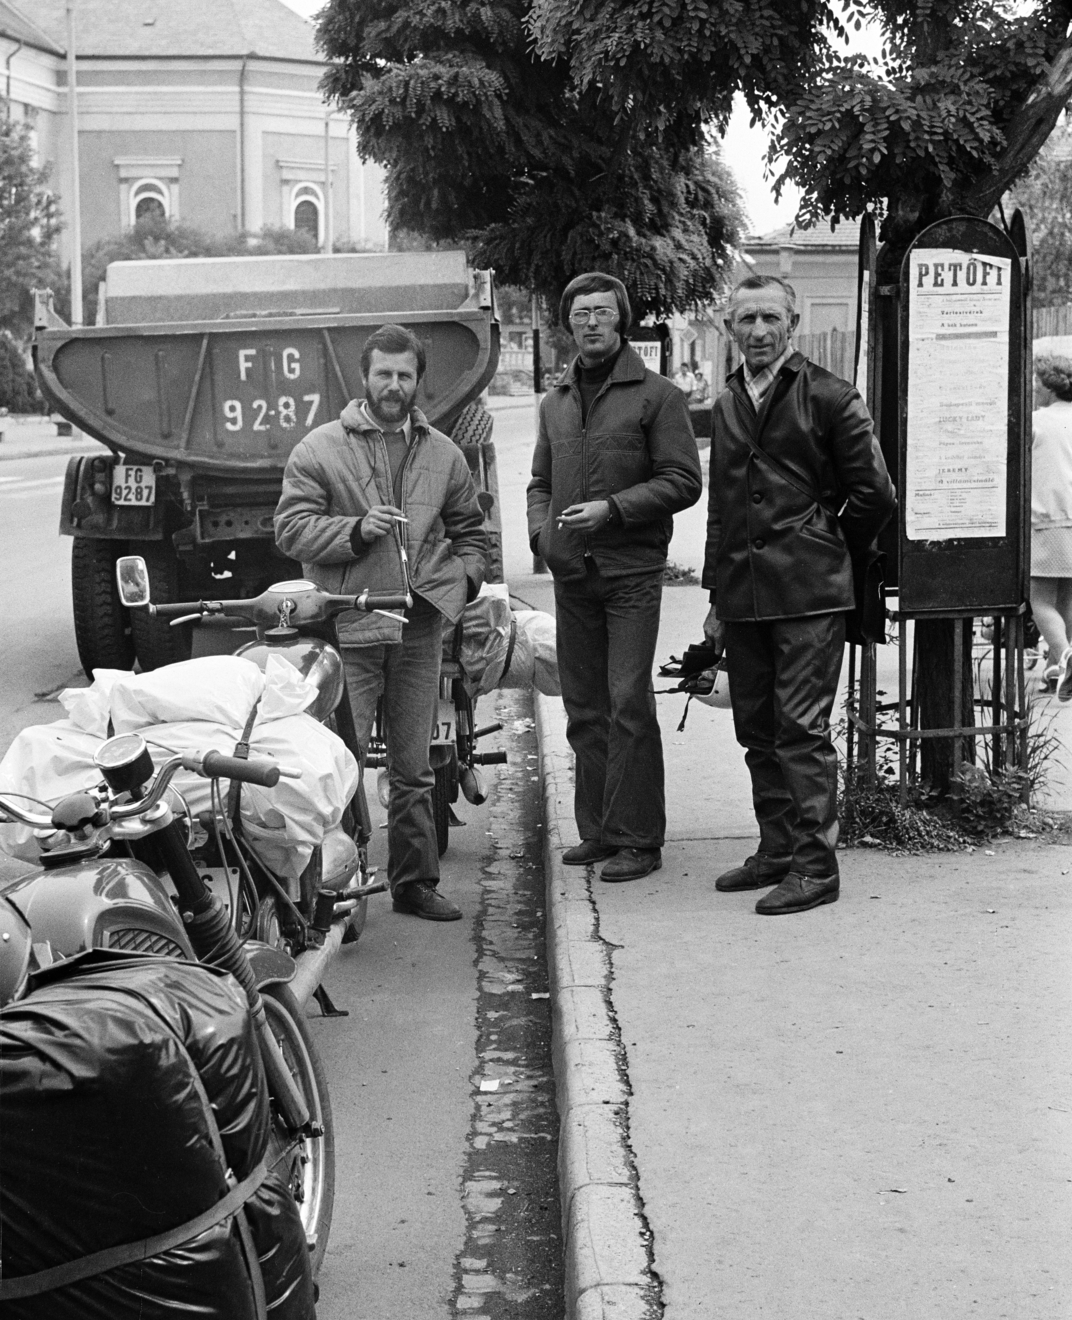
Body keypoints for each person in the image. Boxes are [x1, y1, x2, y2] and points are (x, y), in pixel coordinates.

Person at [275, 323, 486, 921]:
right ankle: (333, 890)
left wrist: (463, 581)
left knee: (414, 768)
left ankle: (414, 884)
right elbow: (290, 529)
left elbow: (473, 531)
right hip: (351, 626)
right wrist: (355, 530)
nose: (394, 385)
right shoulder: (319, 448)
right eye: (383, 374)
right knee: (337, 768)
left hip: (418, 627)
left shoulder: (444, 453)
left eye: (405, 375)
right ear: (364, 378)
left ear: (419, 382)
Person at [701, 275, 895, 916]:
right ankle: (778, 849)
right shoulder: (728, 400)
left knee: (801, 731)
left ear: (793, 323)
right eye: (746, 319)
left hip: (810, 594)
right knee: (756, 728)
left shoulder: (831, 395)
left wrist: (824, 543)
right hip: (743, 592)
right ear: (730, 327)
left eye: (770, 318)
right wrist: (715, 596)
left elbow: (875, 495)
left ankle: (816, 869)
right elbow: (723, 505)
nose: (758, 330)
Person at [528, 272, 703, 881]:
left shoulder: (657, 396)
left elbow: (683, 480)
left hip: (631, 571)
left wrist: (614, 508)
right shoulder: (555, 402)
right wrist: (542, 537)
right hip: (572, 573)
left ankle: (639, 839)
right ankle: (600, 831)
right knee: (583, 704)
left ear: (621, 320)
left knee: (628, 699)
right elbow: (540, 483)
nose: (592, 323)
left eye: (603, 312)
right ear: (568, 324)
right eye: (581, 314)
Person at [1028, 353, 1072, 702]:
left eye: (1037, 383)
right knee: (1067, 599)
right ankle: (1063, 662)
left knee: (1040, 599)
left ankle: (1065, 657)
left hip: (1048, 521)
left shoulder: (1037, 424)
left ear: (1048, 387)